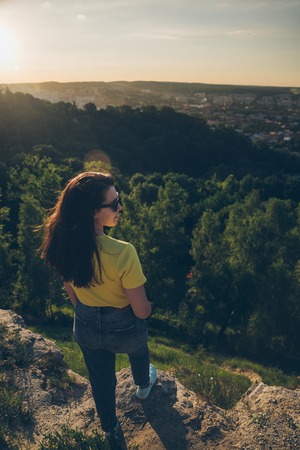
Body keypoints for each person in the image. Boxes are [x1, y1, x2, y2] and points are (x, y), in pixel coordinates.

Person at [40, 171, 156, 447]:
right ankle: (143, 384)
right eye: (114, 203)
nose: (120, 207)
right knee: (139, 345)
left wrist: (89, 314)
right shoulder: (123, 252)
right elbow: (140, 311)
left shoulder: (61, 242)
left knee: (100, 379)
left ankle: (110, 431)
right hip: (125, 330)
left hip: (86, 326)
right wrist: (150, 307)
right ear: (93, 212)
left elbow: (71, 292)